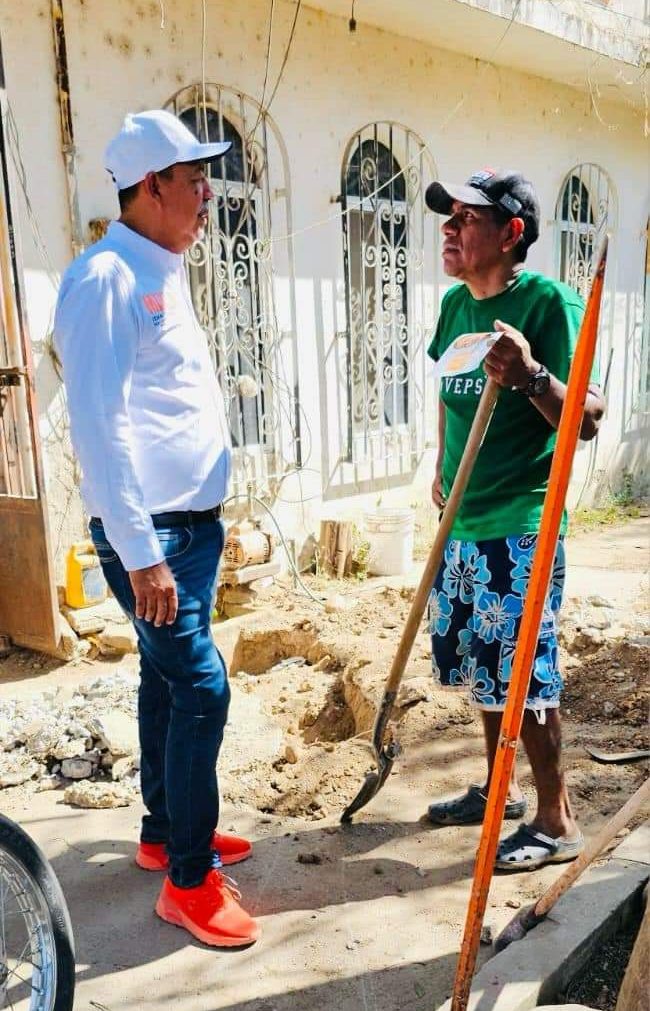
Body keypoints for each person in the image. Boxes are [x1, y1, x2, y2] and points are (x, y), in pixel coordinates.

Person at [54, 110, 258, 946]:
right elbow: (99, 426)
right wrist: (142, 557)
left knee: (164, 680)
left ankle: (163, 830)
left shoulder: (159, 265)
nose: (206, 192)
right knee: (202, 686)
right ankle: (188, 879)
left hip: (187, 529)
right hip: (158, 538)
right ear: (149, 187)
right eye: (191, 177)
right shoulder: (105, 275)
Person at [424, 169, 605, 871]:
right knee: (483, 673)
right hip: (463, 521)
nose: (449, 229)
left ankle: (556, 818)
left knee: (526, 677)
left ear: (511, 233)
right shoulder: (452, 308)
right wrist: (441, 471)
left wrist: (531, 375)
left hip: (521, 520)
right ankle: (500, 790)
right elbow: (448, 394)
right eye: (448, 218)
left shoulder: (548, 304)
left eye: (465, 219)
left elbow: (587, 419)